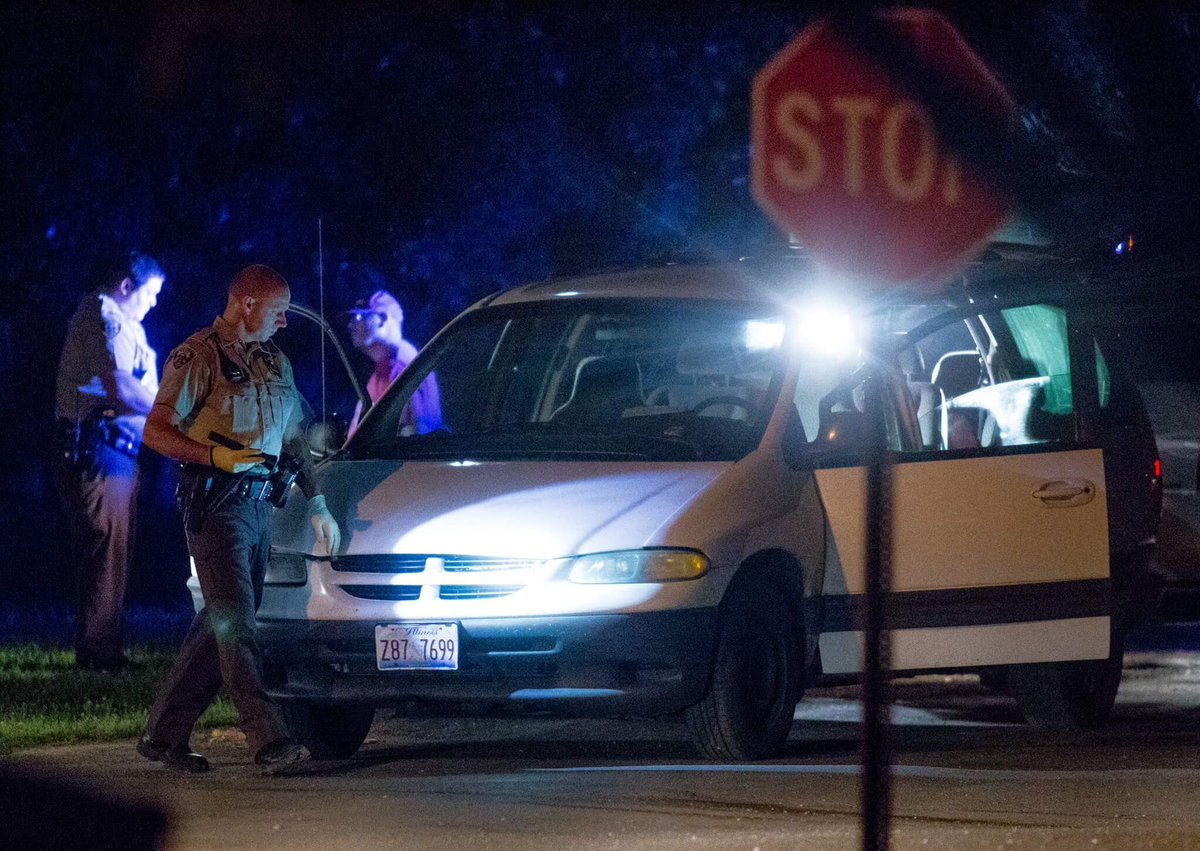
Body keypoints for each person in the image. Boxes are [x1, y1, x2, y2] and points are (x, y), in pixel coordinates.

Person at [137, 264, 340, 775]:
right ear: (247, 304)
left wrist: (317, 502)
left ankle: (163, 735)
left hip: (258, 508)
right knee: (238, 627)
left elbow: (293, 438)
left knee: (220, 621)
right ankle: (270, 740)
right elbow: (155, 431)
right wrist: (215, 457)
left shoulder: (275, 362)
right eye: (278, 311)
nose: (284, 322)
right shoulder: (199, 356)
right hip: (216, 508)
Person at [54, 252, 165, 673]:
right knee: (104, 549)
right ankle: (99, 655)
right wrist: (172, 413)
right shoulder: (103, 316)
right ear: (126, 285)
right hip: (100, 449)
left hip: (118, 451)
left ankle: (103, 648)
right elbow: (120, 386)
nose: (153, 303)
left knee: (113, 551)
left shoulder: (126, 323)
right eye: (149, 294)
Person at [345, 289, 441, 436]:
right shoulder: (383, 371)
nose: (350, 326)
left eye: (359, 317)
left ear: (382, 319)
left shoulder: (406, 368)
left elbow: (413, 434)